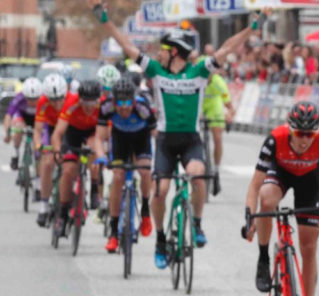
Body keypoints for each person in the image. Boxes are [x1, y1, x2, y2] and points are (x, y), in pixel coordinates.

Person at [91, 0, 263, 268]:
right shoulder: (156, 71)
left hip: (191, 140)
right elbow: (127, 46)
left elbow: (227, 48)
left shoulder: (198, 71)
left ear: (175, 53)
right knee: (160, 191)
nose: (159, 53)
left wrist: (252, 28)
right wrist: (104, 20)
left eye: (163, 49)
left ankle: (196, 224)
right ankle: (161, 239)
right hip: (165, 142)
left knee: (197, 176)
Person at [243, 101, 319, 296]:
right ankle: (264, 258)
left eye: (310, 134)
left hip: (309, 181)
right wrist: (249, 217)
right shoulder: (275, 139)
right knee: (267, 200)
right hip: (280, 173)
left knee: (309, 247)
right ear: (291, 129)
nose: (305, 139)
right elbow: (254, 186)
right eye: (300, 133)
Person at [97, 77, 155, 253]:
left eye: (127, 102)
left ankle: (145, 211)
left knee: (145, 171)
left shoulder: (143, 108)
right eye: (119, 102)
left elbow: (156, 135)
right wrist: (101, 156)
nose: (123, 107)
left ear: (133, 100)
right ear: (113, 101)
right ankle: (114, 233)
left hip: (141, 139)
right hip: (120, 140)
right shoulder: (106, 107)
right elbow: (99, 137)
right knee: (118, 177)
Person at [50, 79, 107, 238]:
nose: (89, 107)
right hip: (73, 133)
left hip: (93, 133)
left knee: (93, 151)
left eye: (92, 103)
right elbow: (58, 133)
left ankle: (95, 189)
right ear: (79, 99)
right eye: (85, 103)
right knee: (68, 171)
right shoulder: (71, 103)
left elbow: (108, 133)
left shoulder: (103, 105)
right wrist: (56, 151)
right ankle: (62, 213)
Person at [34, 73, 71, 227]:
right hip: (50, 128)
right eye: (52, 100)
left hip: (68, 128)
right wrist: (38, 146)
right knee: (48, 163)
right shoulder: (42, 102)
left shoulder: (72, 100)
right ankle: (44, 204)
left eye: (59, 99)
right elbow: (38, 130)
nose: (56, 103)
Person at [202, 69, 234, 196]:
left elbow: (228, 104)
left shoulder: (218, 82)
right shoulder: (197, 80)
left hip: (214, 110)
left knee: (217, 137)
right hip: (200, 108)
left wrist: (229, 115)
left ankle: (215, 169)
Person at [3, 77, 43, 171]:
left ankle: (37, 159)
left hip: (38, 119)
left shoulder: (44, 100)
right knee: (18, 128)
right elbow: (8, 116)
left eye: (35, 99)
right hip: (23, 118)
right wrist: (7, 134)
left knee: (38, 142)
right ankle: (16, 154)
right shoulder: (19, 98)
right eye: (29, 99)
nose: (32, 102)